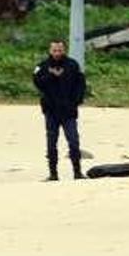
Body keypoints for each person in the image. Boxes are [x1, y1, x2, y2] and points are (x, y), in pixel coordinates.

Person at [32, 39, 86, 181]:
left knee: (74, 141)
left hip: (69, 111)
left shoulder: (73, 65)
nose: (57, 53)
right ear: (50, 51)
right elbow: (37, 83)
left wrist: (76, 101)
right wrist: (51, 76)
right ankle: (53, 173)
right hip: (51, 111)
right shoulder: (42, 66)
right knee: (51, 142)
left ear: (64, 50)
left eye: (60, 50)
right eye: (54, 50)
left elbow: (81, 84)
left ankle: (77, 172)